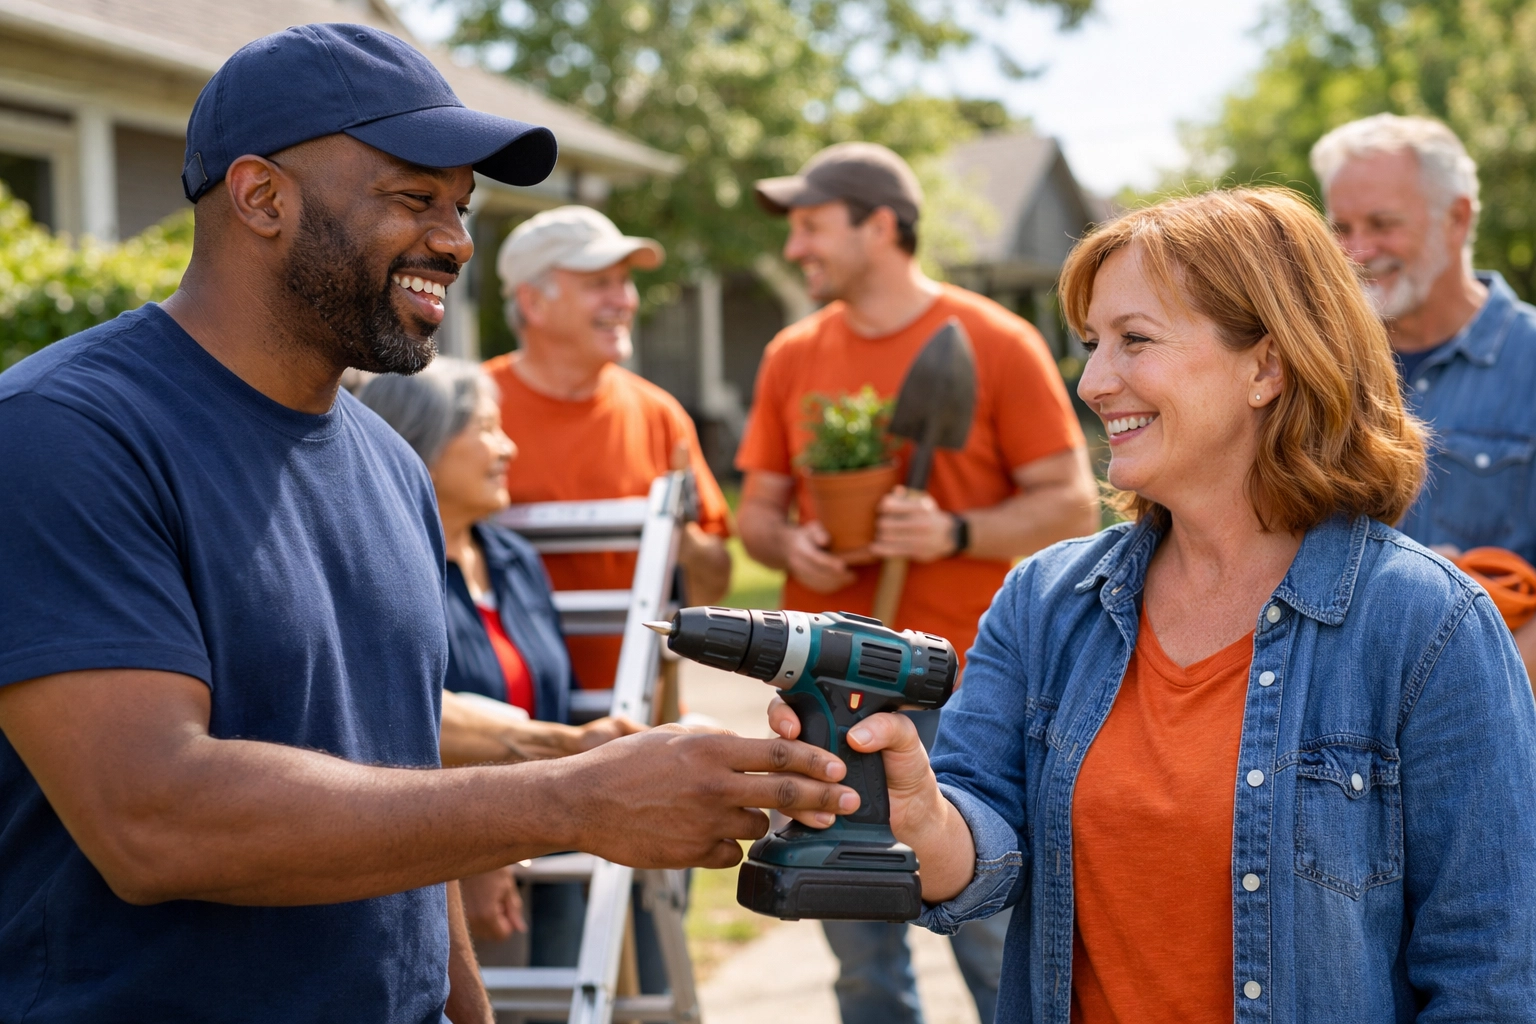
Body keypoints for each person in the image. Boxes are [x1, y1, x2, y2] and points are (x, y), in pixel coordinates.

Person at [0, 26, 857, 1024]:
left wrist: (467, 1005)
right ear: (261, 197)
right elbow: (150, 817)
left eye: (461, 206)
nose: (455, 242)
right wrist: (571, 800)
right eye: (414, 198)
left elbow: (402, 771)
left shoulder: (390, 469)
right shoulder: (65, 435)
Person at [769, 187, 1536, 1023]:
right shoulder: (1045, 602)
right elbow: (982, 862)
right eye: (1094, 344)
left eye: (1135, 341)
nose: (1095, 382)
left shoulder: (1430, 627)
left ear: (1268, 366)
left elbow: (1490, 978)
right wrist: (923, 815)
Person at [737, 142, 1100, 1024]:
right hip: (827, 695)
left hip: (969, 690)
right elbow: (757, 514)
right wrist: (797, 542)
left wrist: (955, 531)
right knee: (855, 943)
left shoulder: (995, 343)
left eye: (813, 228)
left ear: (881, 225)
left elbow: (1073, 506)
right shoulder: (794, 353)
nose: (796, 250)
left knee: (987, 934)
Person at [355, 358, 645, 943]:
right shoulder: (379, 570)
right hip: (435, 865)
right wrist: (477, 857)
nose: (508, 446)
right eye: (486, 428)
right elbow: (398, 722)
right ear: (418, 444)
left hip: (556, 845)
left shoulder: (514, 562)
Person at [1311, 113, 1536, 674]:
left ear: (1456, 218)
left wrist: (1480, 707)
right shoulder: (1316, 369)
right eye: (1341, 228)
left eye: (1383, 224)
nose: (1358, 251)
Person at [483, 206, 732, 692]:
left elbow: (712, 589)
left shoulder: (660, 415)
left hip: (632, 725)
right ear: (533, 303)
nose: (625, 301)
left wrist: (683, 540)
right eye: (599, 283)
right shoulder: (471, 411)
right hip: (506, 727)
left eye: (624, 281)